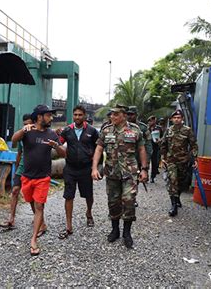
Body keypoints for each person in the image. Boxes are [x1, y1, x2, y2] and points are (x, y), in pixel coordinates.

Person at [11, 104, 66, 256]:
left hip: (43, 177)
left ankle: (33, 239)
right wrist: (23, 130)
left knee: (39, 206)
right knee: (30, 201)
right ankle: (41, 224)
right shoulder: (28, 132)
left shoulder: (51, 134)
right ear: (39, 117)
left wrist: (56, 146)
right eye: (48, 115)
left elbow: (63, 154)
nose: (51, 118)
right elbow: (13, 141)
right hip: (27, 176)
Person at [91, 104, 148, 249]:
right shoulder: (106, 130)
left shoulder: (135, 130)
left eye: (115, 114)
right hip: (111, 172)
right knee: (113, 202)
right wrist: (94, 168)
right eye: (111, 114)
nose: (112, 117)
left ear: (124, 115)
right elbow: (98, 149)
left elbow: (141, 149)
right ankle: (115, 229)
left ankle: (127, 233)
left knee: (129, 201)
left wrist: (144, 169)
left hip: (130, 172)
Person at [0, 114, 47, 236]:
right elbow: (19, 153)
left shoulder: (38, 136)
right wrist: (16, 169)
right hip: (22, 168)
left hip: (34, 171)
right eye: (24, 124)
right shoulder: (22, 136)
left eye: (29, 124)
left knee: (35, 199)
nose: (27, 126)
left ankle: (41, 222)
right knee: (15, 190)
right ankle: (11, 218)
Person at [57, 105, 99, 239]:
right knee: (69, 196)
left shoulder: (92, 131)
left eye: (80, 115)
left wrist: (96, 167)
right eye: (75, 115)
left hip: (86, 168)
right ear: (72, 116)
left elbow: (99, 147)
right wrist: (56, 135)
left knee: (88, 195)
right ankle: (69, 226)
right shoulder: (67, 130)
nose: (77, 117)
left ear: (85, 116)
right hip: (70, 168)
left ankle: (89, 213)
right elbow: (59, 143)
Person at [160, 110, 198, 217]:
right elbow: (163, 145)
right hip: (171, 161)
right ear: (172, 119)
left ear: (182, 119)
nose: (176, 119)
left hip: (183, 161)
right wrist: (163, 157)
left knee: (181, 182)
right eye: (175, 117)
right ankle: (173, 206)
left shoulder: (187, 130)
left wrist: (194, 159)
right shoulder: (168, 130)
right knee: (172, 181)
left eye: (179, 117)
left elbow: (194, 145)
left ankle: (177, 198)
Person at [148, 115, 162, 183]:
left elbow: (162, 137)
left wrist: (160, 140)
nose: (151, 122)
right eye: (150, 120)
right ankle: (145, 176)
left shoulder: (159, 128)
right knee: (146, 162)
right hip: (148, 147)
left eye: (152, 120)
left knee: (154, 163)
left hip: (155, 147)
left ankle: (152, 177)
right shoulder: (147, 128)